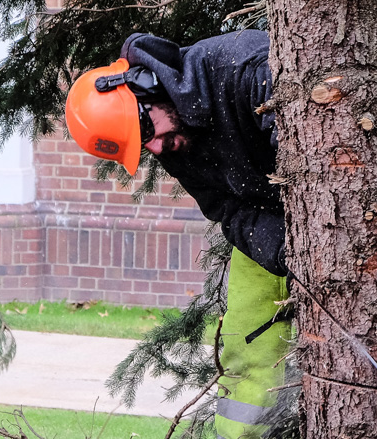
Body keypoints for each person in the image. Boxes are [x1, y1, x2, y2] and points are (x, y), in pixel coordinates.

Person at [65, 30, 291, 439]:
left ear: (144, 86)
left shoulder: (242, 70)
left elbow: (307, 152)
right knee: (246, 354)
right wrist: (288, 250)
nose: (154, 148)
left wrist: (315, 237)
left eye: (145, 132)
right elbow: (225, 208)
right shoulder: (174, 140)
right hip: (273, 236)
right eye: (142, 144)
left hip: (329, 220)